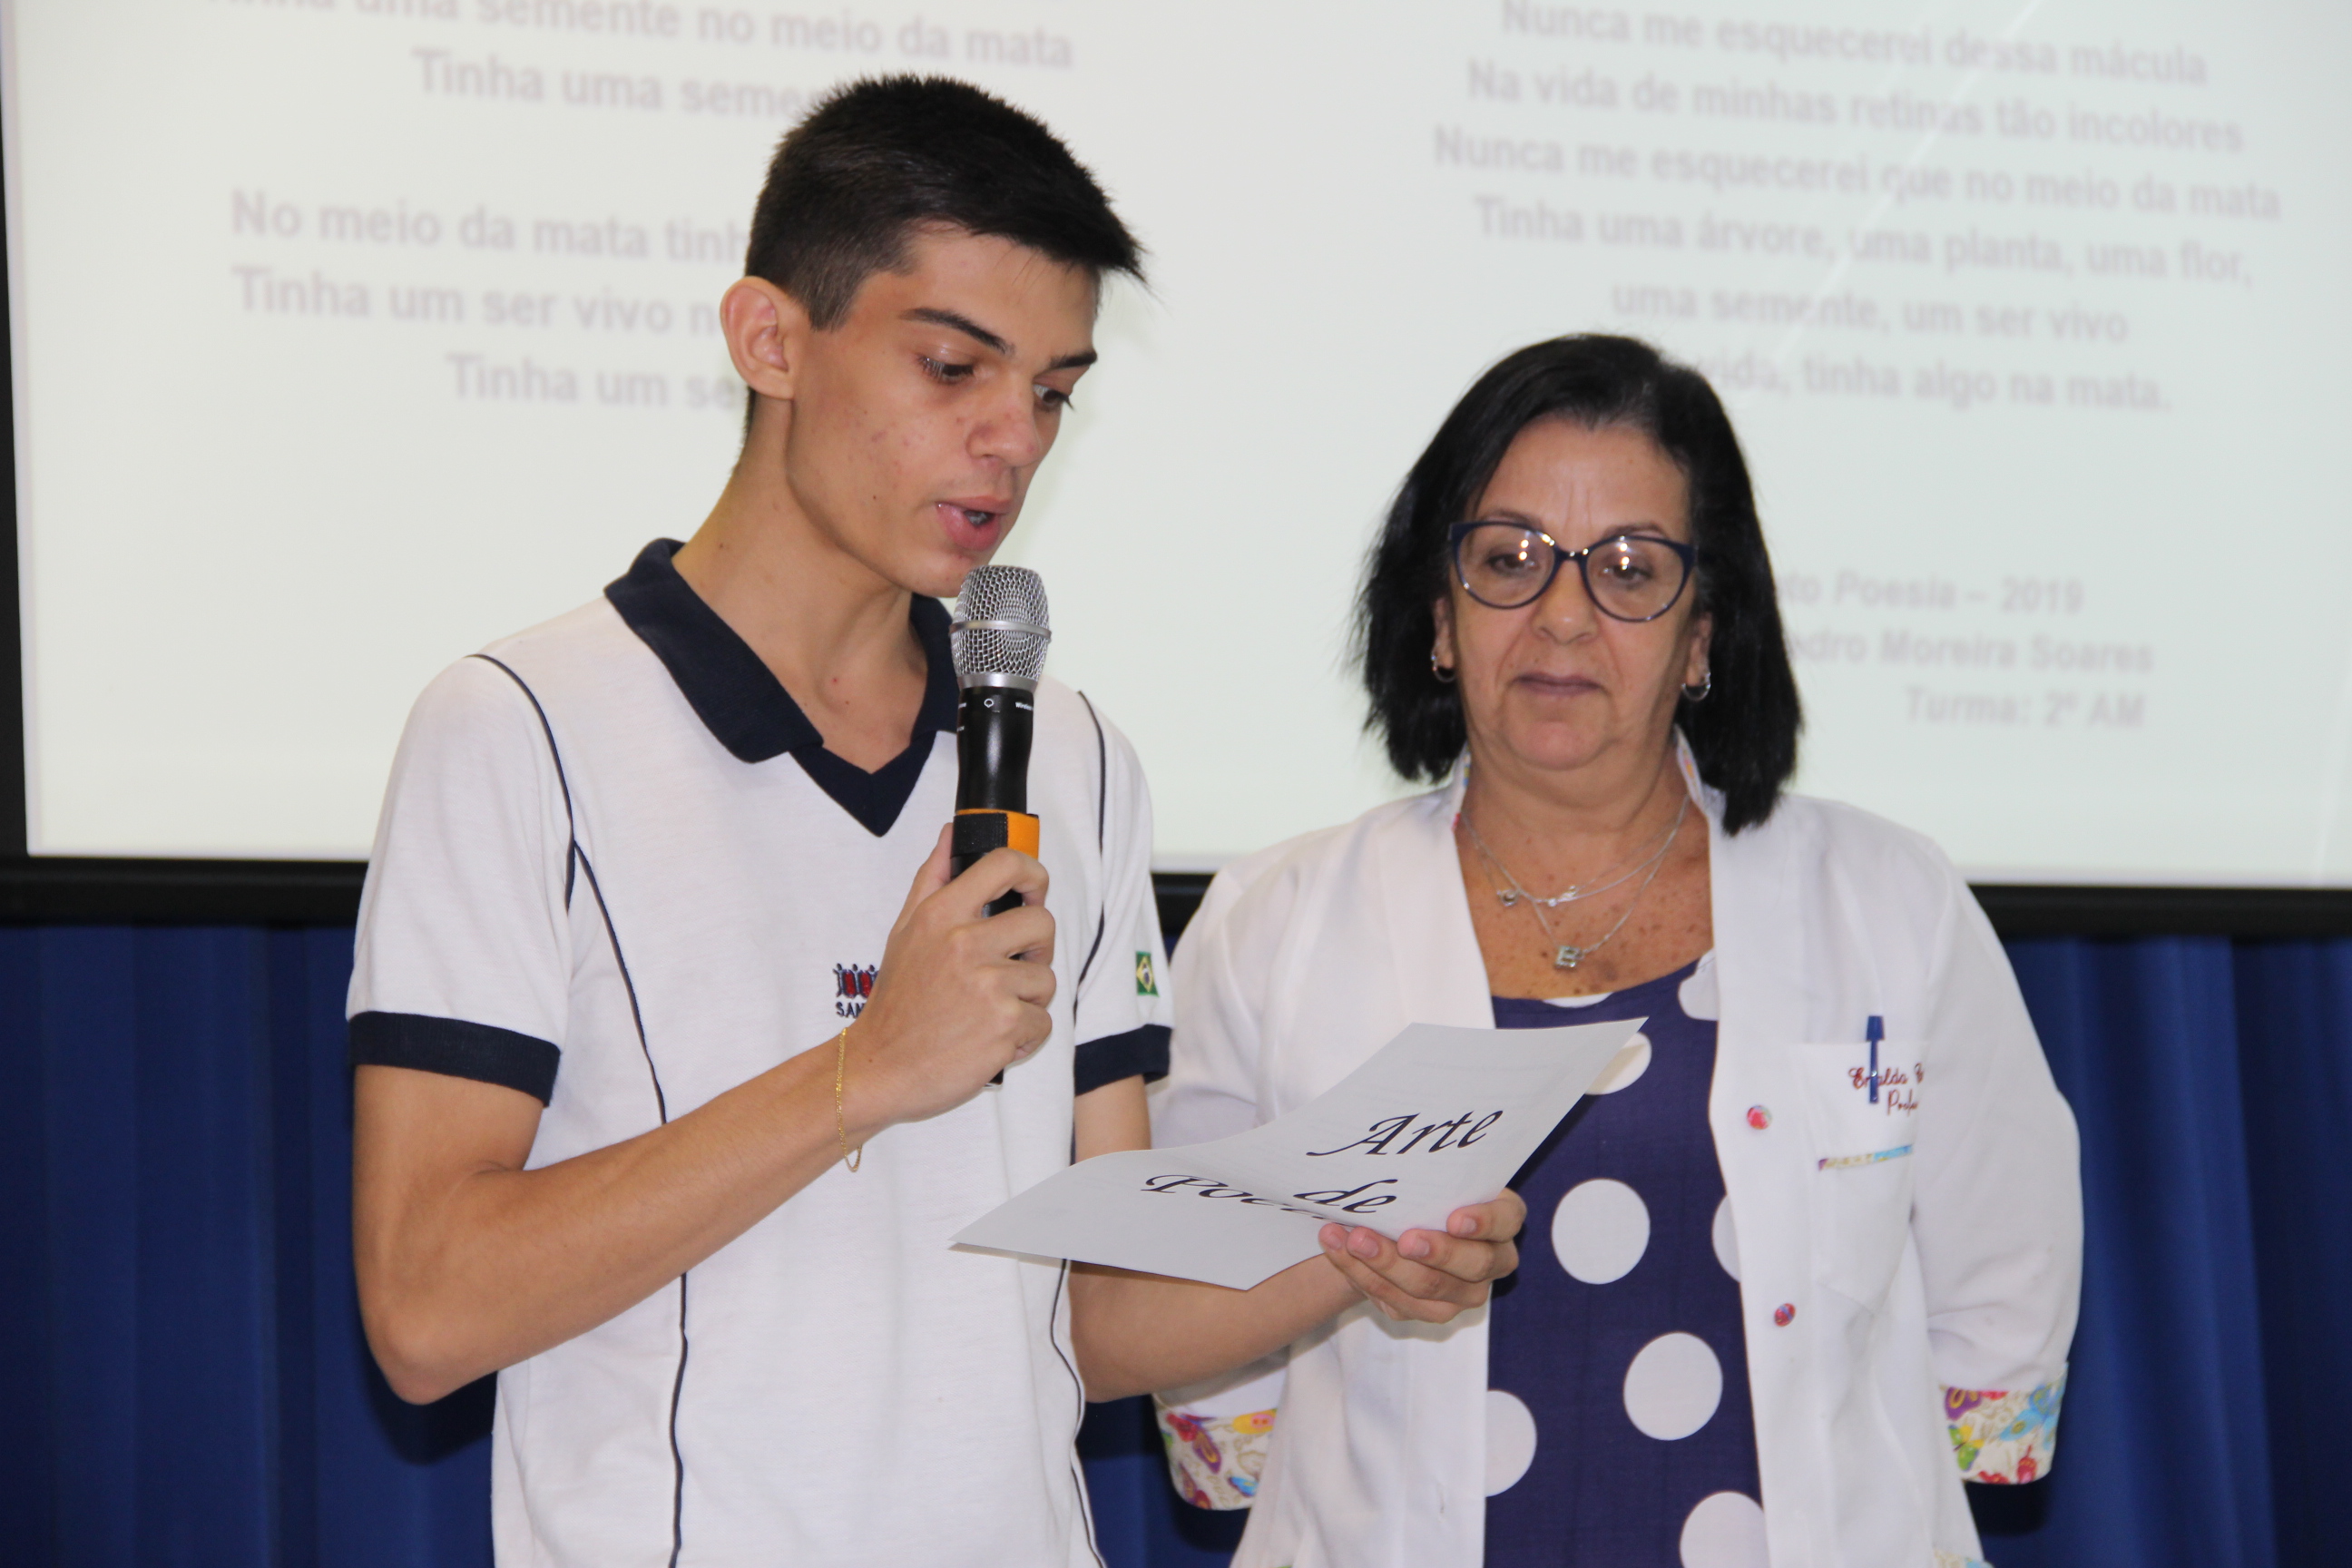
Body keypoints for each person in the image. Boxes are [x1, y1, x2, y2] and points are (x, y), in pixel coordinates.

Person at [346, 77, 1173, 1565]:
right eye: (953, 368)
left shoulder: (1077, 754)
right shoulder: (519, 729)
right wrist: (868, 1070)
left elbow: (1096, 1311)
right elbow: (424, 1311)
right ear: (770, 340)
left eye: (1053, 392)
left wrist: (1359, 1252)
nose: (1013, 440)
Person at [1088, 335, 2082, 1566]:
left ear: (1704, 635)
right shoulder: (1275, 920)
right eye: (1508, 560)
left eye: (1629, 570)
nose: (1562, 615)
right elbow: (1188, 1342)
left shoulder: (1888, 901)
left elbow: (2002, 1289)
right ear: (1439, 617)